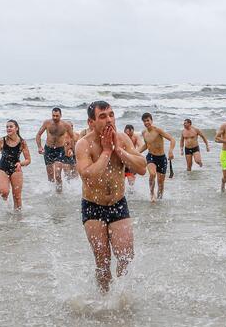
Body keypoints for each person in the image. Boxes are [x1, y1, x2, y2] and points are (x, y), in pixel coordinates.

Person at [75, 101, 147, 293]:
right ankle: (105, 300)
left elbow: (141, 168)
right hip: (93, 206)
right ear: (91, 122)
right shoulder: (83, 144)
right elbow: (88, 177)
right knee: (103, 261)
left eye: (111, 114)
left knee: (126, 256)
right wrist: (106, 152)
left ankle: (122, 299)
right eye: (103, 116)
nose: (109, 120)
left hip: (118, 204)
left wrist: (118, 150)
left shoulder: (122, 139)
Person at [0, 120, 31, 210]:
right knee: (4, 192)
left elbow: (28, 160)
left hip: (16, 169)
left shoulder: (22, 142)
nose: (8, 128)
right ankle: (7, 207)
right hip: (3, 168)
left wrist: (20, 164)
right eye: (7, 127)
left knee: (17, 197)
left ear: (16, 128)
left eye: (11, 126)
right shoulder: (2, 141)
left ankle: (18, 216)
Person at [138, 113, 175, 202]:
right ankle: (152, 194)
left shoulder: (158, 130)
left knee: (161, 183)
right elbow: (146, 145)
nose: (146, 122)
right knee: (152, 174)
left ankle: (159, 199)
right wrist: (135, 152)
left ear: (151, 120)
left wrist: (170, 151)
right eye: (144, 121)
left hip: (162, 158)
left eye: (148, 120)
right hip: (151, 157)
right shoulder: (144, 133)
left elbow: (172, 139)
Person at [36, 107, 74, 193]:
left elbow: (72, 137)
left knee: (57, 175)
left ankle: (59, 193)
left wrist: (70, 149)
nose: (55, 117)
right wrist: (39, 147)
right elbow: (38, 135)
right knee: (50, 177)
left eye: (57, 116)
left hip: (60, 150)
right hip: (48, 149)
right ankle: (52, 194)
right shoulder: (47, 123)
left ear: (61, 115)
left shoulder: (66, 125)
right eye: (53, 115)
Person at [123, 124, 141, 189]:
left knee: (131, 182)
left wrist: (134, 154)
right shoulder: (121, 137)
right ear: (124, 132)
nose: (129, 137)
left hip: (131, 160)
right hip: (122, 160)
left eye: (131, 135)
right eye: (127, 135)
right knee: (120, 181)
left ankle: (131, 194)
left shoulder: (136, 137)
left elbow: (141, 146)